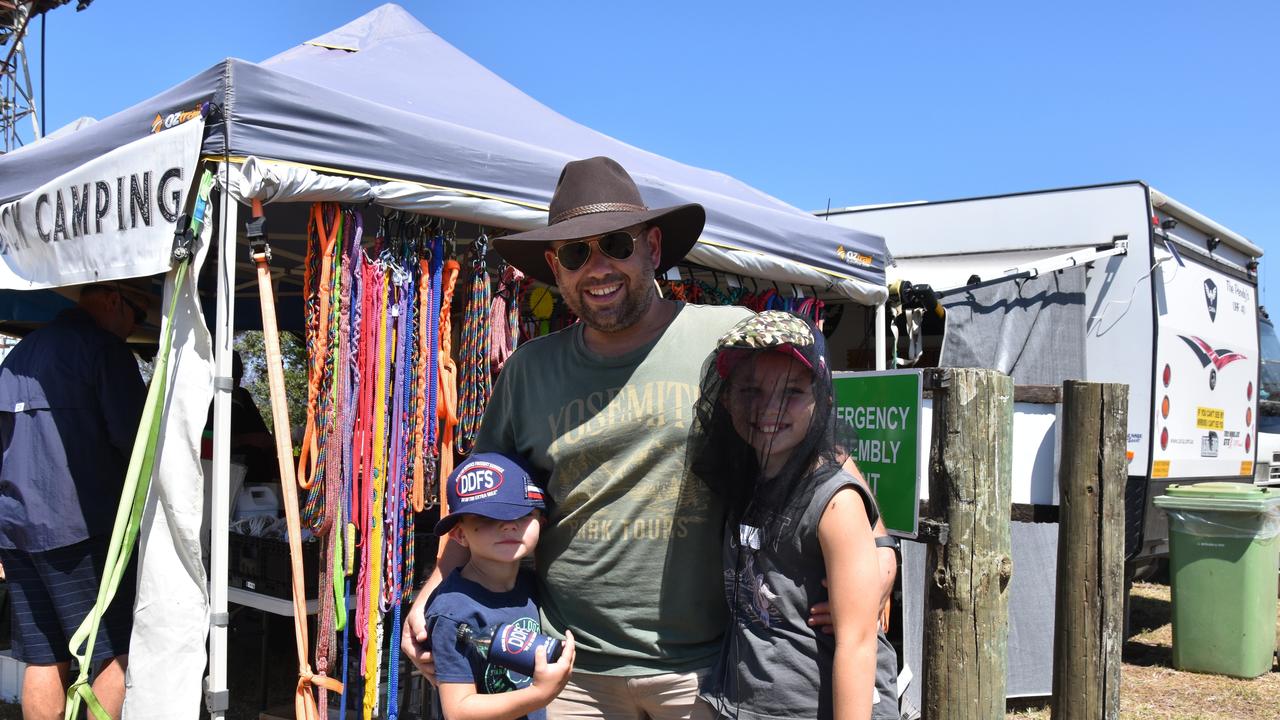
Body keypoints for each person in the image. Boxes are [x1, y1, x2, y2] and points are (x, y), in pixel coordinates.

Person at [403, 156, 754, 719]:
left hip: (703, 669)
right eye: (575, 253)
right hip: (566, 670)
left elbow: (815, 455)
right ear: (554, 267)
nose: (598, 268)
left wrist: (876, 547)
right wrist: (432, 594)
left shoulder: (727, 339)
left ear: (654, 246)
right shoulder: (528, 370)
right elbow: (478, 496)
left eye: (616, 243)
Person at [688, 311, 882, 719]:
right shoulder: (745, 477)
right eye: (751, 391)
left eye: (792, 391)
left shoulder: (835, 502)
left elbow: (859, 641)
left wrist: (886, 552)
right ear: (726, 398)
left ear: (822, 400)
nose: (768, 408)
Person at [0, 281, 148, 720]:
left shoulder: (17, 357)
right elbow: (138, 441)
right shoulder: (103, 350)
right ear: (116, 301)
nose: (133, 330)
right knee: (112, 650)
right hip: (84, 530)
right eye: (138, 320)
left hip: (17, 530)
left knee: (43, 655)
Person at [426, 452, 576, 720]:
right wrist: (540, 693)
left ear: (540, 523)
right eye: (487, 518)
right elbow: (458, 711)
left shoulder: (535, 586)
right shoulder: (452, 611)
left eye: (521, 514)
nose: (508, 526)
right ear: (460, 534)